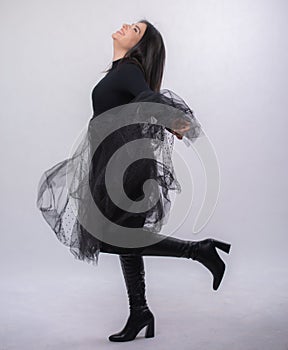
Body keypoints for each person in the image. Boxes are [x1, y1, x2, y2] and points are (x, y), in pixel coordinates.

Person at [36, 19, 231, 342]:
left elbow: (147, 96)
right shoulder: (117, 72)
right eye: (132, 24)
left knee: (115, 237)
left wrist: (176, 122)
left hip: (124, 164)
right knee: (126, 238)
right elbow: (142, 99)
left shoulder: (128, 69)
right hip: (115, 160)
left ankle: (199, 251)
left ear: (140, 47)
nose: (127, 26)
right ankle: (140, 312)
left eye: (136, 30)